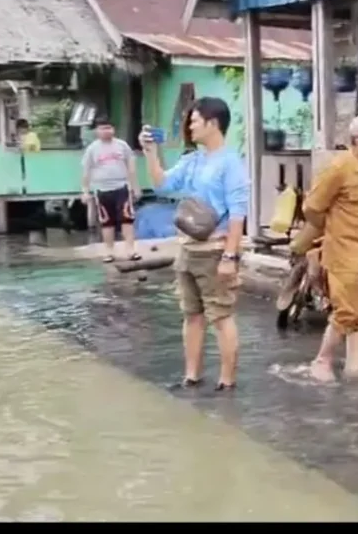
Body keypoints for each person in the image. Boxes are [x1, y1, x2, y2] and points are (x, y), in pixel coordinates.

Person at [140, 97, 249, 391]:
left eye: (195, 121)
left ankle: (227, 380)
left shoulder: (230, 164)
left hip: (215, 249)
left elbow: (238, 213)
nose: (190, 126)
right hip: (188, 247)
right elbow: (162, 184)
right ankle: (192, 375)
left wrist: (231, 256)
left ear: (212, 124)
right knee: (191, 314)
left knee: (221, 316)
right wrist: (150, 152)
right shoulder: (193, 160)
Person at [303, 114, 358, 383]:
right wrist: (331, 230)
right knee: (346, 311)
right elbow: (312, 208)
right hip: (343, 253)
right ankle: (322, 359)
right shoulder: (338, 169)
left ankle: (353, 367)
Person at [81, 116, 141, 263]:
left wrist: (135, 187)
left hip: (121, 188)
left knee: (127, 219)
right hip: (102, 190)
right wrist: (85, 191)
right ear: (97, 131)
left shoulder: (122, 145)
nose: (106, 131)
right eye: (102, 128)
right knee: (107, 222)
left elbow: (131, 167)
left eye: (109, 127)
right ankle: (109, 252)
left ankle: (130, 250)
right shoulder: (92, 149)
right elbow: (86, 171)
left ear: (113, 129)